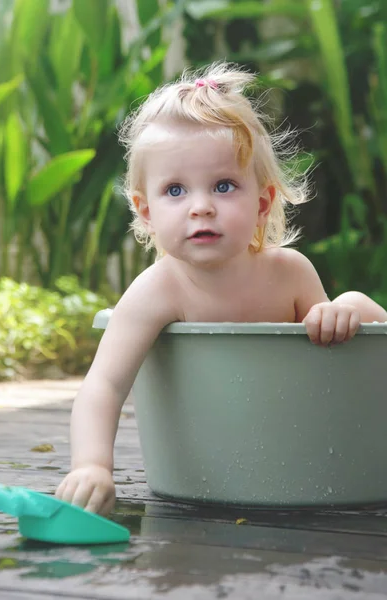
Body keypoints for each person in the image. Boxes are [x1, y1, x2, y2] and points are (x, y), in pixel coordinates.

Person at [55, 62, 387, 516]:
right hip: (196, 482)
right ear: (146, 210)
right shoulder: (158, 290)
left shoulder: (289, 272)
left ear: (262, 202)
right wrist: (91, 465)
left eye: (224, 185)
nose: (201, 207)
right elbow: (104, 385)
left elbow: (345, 352)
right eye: (175, 190)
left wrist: (348, 308)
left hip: (301, 470)